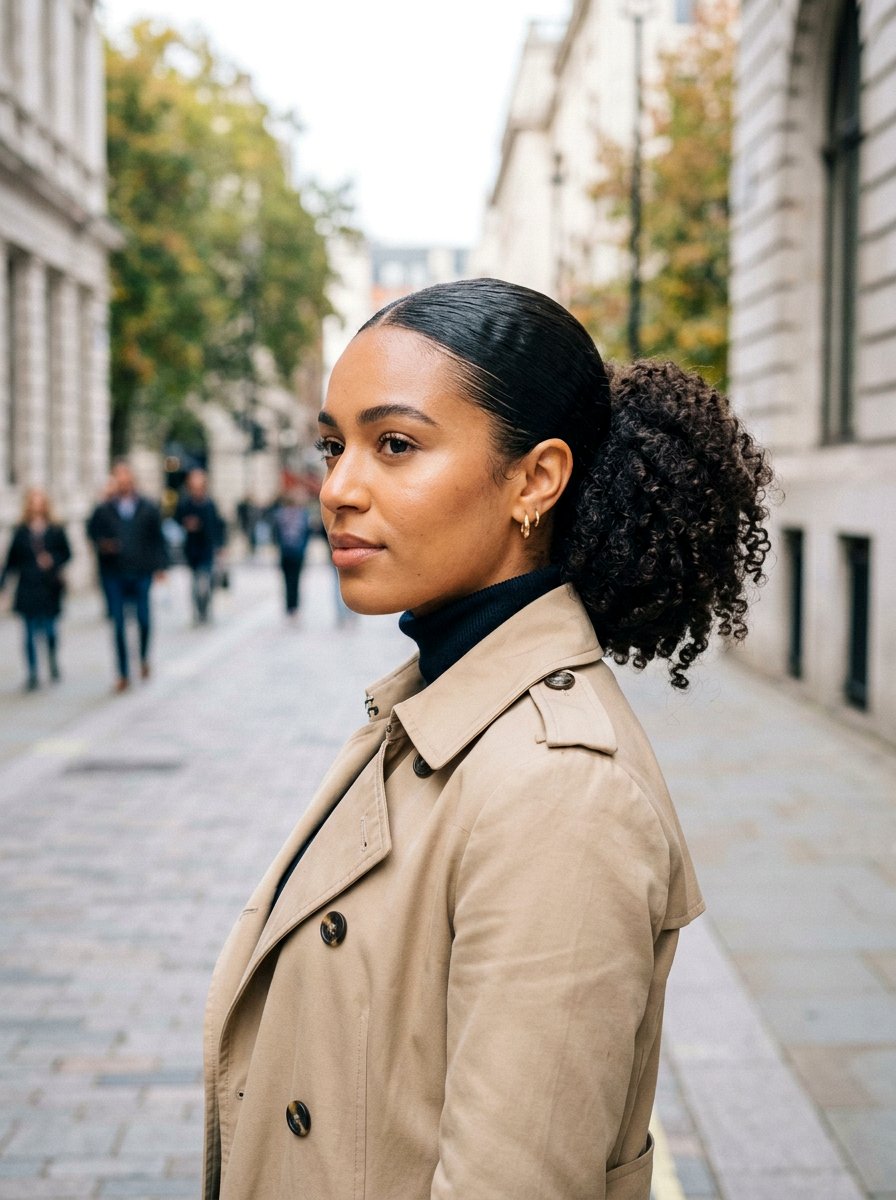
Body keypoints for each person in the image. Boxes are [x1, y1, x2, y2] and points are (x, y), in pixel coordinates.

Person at [202, 279, 773, 1200]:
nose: (339, 488)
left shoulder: (558, 791)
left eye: (395, 445)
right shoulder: (435, 701)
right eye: (333, 445)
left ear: (535, 480)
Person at [86, 460, 168, 692]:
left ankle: (142, 658)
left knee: (143, 619)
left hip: (141, 571)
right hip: (114, 573)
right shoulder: (104, 508)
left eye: (125, 477)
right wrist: (103, 544)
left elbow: (157, 538)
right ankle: (122, 672)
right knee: (119, 625)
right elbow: (91, 532)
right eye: (117, 478)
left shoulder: (147, 506)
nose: (122, 482)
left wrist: (161, 567)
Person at [0, 487, 71, 691]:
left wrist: (53, 560)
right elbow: (10, 561)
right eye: (33, 502)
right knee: (29, 633)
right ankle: (32, 673)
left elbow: (67, 553)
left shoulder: (55, 529)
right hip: (27, 587)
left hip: (49, 588)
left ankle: (52, 659)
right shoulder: (20, 531)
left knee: (49, 631)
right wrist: (3, 585)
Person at [175, 468, 226, 625]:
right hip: (192, 548)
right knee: (196, 582)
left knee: (206, 580)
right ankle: (198, 611)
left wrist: (221, 545)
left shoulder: (210, 503)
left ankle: (205, 609)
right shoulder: (185, 503)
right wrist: (187, 524)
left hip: (207, 548)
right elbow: (177, 519)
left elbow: (218, 524)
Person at [271, 487, 311, 618]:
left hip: (286, 552)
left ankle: (289, 606)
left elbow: (276, 535)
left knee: (287, 581)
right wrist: (304, 548)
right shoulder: (302, 514)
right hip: (297, 552)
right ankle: (294, 607)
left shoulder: (280, 514)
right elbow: (306, 534)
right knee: (296, 580)